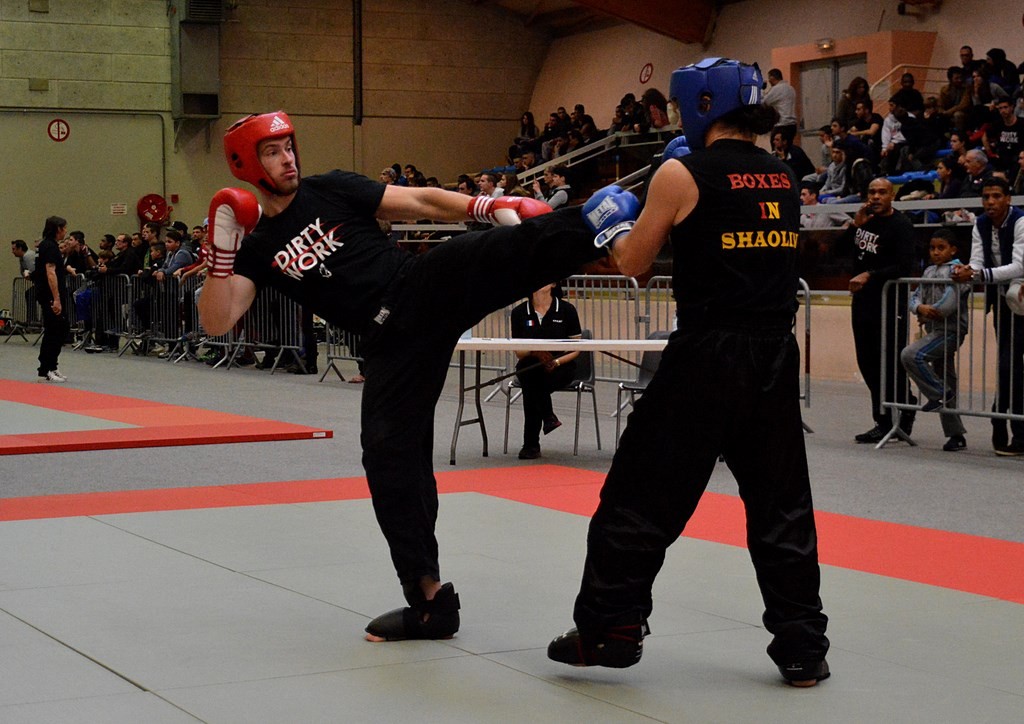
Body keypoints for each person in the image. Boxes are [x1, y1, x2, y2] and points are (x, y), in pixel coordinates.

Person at [199, 111, 620, 644]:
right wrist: (221, 256)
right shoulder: (257, 246)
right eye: (272, 151)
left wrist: (481, 205)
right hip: (388, 344)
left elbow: (419, 201)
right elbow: (218, 320)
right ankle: (430, 602)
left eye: (288, 146)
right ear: (246, 164)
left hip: (417, 287)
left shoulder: (329, 188)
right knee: (387, 457)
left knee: (482, 252)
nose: (288, 159)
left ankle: (604, 219)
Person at [546, 57, 830, 687]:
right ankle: (803, 648)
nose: (677, 119)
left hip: (707, 353)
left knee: (639, 494)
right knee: (781, 503)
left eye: (679, 109)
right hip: (774, 353)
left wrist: (610, 219)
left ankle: (611, 628)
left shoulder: (680, 173)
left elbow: (633, 264)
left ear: (703, 104)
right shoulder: (784, 174)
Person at [839, 178, 918, 444]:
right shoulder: (865, 222)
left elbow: (904, 265)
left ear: (891, 195)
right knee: (868, 362)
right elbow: (837, 252)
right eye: (871, 192)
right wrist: (855, 225)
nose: (875, 197)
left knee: (890, 362)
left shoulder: (901, 225)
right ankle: (885, 418)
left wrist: (870, 275)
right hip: (863, 302)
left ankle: (900, 412)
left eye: (881, 192)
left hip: (889, 303)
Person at [952, 176, 1024, 454]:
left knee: (1012, 367)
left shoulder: (1020, 221)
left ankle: (1006, 423)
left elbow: (1019, 266)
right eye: (986, 197)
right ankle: (1004, 423)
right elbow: (977, 260)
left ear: (1008, 199)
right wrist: (965, 271)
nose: (990, 202)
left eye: (996, 196)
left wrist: (979, 275)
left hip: (1019, 296)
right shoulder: (980, 223)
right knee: (1008, 366)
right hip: (1005, 303)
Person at [900, 229, 970, 452]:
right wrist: (919, 308)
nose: (936, 252)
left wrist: (930, 312)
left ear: (953, 250)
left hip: (949, 331)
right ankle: (956, 434)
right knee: (946, 377)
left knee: (911, 355)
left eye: (941, 248)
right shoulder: (929, 271)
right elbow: (914, 297)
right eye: (932, 248)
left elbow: (949, 304)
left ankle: (938, 393)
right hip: (933, 330)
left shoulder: (959, 271)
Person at [509, 283, 581, 460]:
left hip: (561, 366)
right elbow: (519, 352)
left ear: (554, 284)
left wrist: (555, 361)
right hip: (531, 365)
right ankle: (547, 417)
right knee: (531, 372)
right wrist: (535, 352)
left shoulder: (567, 310)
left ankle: (531, 444)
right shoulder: (519, 312)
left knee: (531, 385)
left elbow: (576, 349)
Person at [33, 216, 70, 382]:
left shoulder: (47, 245)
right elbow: (50, 272)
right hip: (50, 295)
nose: (66, 231)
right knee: (54, 330)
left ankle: (52, 365)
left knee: (60, 328)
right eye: (64, 228)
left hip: (49, 294)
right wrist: (56, 299)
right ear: (58, 229)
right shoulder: (50, 247)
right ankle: (46, 367)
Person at [763, 67, 797, 143]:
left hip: (781, 125)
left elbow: (764, 102)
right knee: (788, 148)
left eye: (769, 78)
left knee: (777, 148)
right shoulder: (791, 88)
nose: (769, 81)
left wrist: (762, 90)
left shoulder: (777, 89)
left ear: (772, 77)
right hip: (792, 126)